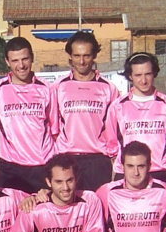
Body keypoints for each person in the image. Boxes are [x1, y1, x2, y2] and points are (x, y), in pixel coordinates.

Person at [51, 31, 119, 192]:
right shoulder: (58, 87)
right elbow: (52, 126)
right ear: (70, 56)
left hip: (97, 160)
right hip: (67, 158)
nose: (81, 61)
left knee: (98, 204)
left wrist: (112, 153)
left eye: (87, 56)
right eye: (77, 56)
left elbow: (114, 128)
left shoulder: (108, 88)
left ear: (94, 55)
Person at [0, 37, 60, 193]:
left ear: (32, 58)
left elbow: (54, 130)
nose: (21, 65)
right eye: (15, 60)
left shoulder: (47, 89)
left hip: (42, 166)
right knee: (11, 208)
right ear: (7, 62)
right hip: (10, 167)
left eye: (25, 59)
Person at [105, 52, 166, 184]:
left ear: (154, 73)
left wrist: (162, 158)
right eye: (138, 75)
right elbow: (111, 143)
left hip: (158, 172)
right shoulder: (118, 106)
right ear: (130, 76)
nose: (143, 80)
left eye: (148, 74)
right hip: (127, 174)